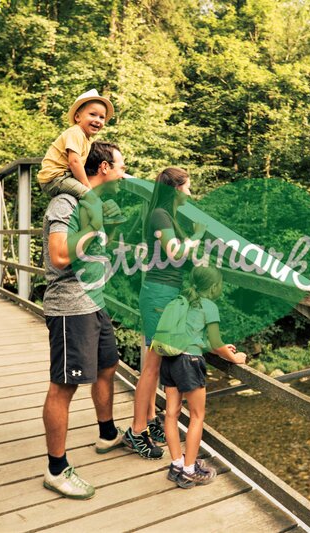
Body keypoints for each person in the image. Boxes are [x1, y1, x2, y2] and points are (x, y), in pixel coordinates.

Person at [40, 141, 127, 499]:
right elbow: (60, 255)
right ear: (104, 167)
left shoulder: (96, 202)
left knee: (108, 366)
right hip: (70, 308)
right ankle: (56, 469)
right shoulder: (67, 202)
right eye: (121, 165)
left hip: (94, 302)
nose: (124, 172)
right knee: (64, 385)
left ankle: (107, 433)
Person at [123, 168, 206, 459]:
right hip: (159, 296)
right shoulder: (160, 214)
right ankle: (136, 431)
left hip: (164, 295)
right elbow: (174, 252)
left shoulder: (166, 215)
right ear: (175, 189)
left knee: (155, 364)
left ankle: (146, 422)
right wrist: (197, 236)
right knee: (153, 367)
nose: (190, 193)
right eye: (187, 188)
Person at [161, 266, 247, 488]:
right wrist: (234, 358)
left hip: (169, 359)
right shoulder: (209, 306)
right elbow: (216, 343)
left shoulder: (183, 299)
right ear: (215, 286)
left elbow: (197, 337)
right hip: (189, 362)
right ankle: (190, 471)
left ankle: (177, 464)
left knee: (171, 414)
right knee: (197, 416)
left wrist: (214, 347)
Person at [36, 89, 114, 231]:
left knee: (87, 197)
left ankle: (85, 226)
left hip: (62, 177)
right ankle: (97, 229)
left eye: (102, 117)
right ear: (78, 117)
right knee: (89, 195)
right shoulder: (75, 132)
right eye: (92, 114)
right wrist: (86, 185)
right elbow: (74, 162)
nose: (97, 120)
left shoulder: (86, 139)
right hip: (55, 178)